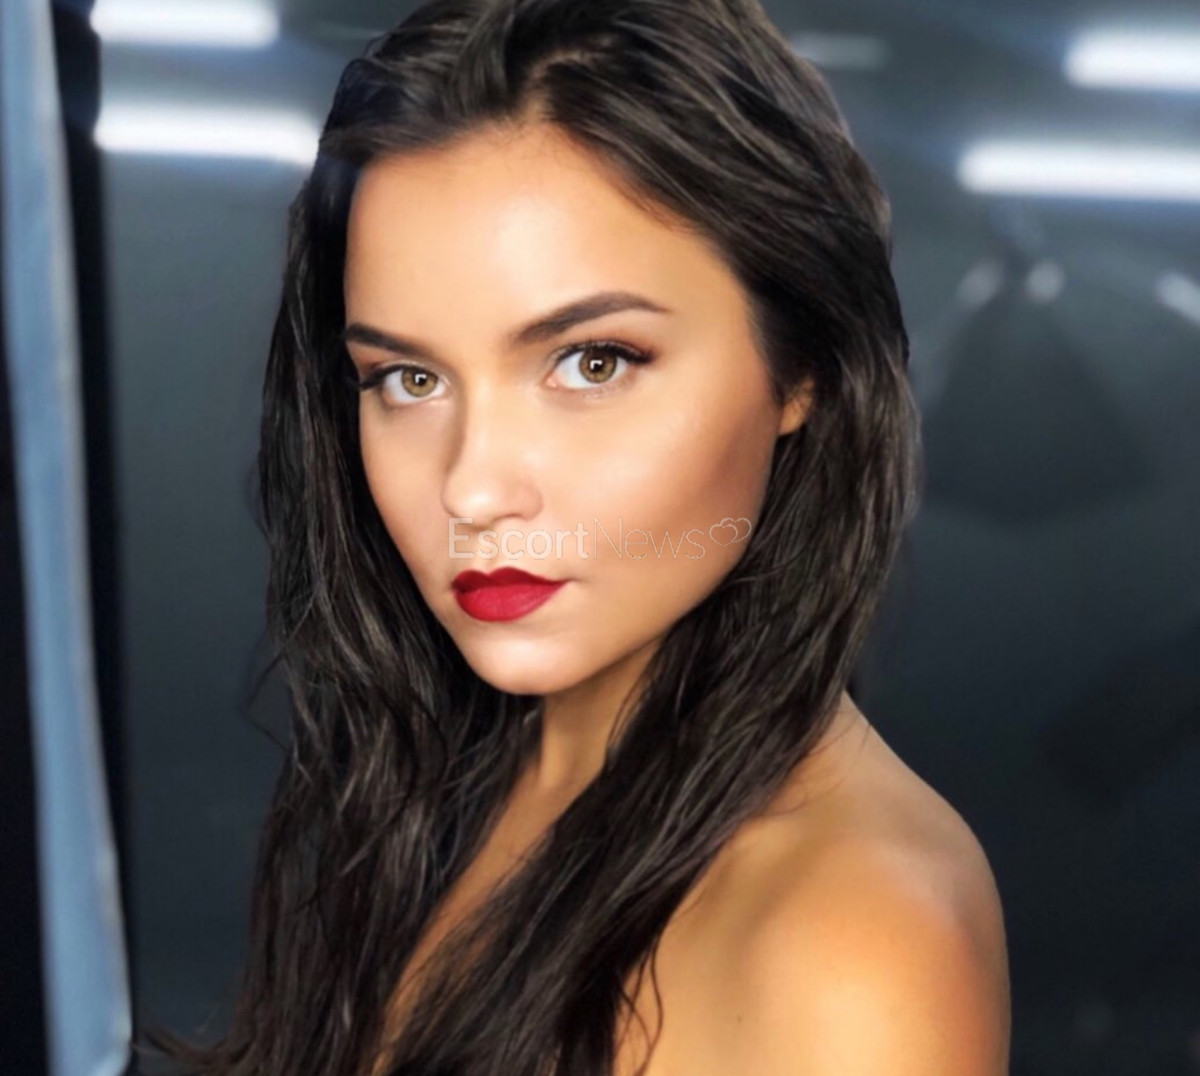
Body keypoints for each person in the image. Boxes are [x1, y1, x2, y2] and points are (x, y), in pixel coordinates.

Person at [144, 0, 1010, 1073]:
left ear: (803, 368)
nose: (472, 488)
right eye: (407, 378)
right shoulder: (448, 788)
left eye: (592, 362)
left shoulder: (854, 941)